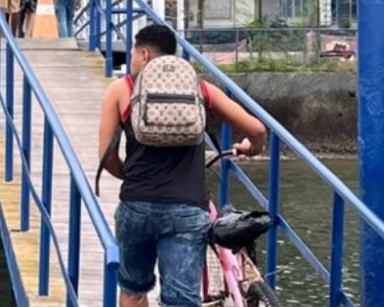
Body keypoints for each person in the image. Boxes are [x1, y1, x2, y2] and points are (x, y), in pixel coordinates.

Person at [97, 25, 267, 307]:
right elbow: (257, 129)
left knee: (132, 289)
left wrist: (132, 177)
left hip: (137, 204)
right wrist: (253, 148)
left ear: (144, 54)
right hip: (187, 209)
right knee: (181, 300)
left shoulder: (121, 89)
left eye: (132, 54)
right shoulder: (200, 89)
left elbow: (106, 156)